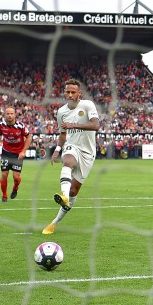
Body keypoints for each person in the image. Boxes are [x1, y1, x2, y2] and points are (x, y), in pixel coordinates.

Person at [42, 79, 100, 235]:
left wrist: (73, 125)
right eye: (67, 91)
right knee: (67, 162)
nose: (70, 94)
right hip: (71, 146)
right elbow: (63, 134)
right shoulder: (61, 112)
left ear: (79, 93)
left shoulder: (88, 105)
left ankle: (54, 222)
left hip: (88, 152)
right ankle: (64, 195)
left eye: (73, 92)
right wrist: (57, 149)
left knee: (74, 191)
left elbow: (96, 125)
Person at [0, 107, 32, 202]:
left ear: (15, 115)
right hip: (6, 152)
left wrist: (23, 151)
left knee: (16, 177)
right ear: (4, 115)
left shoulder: (21, 126)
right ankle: (4, 195)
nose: (10, 115)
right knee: (4, 174)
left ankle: (15, 187)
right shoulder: (1, 126)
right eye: (8, 114)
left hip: (17, 154)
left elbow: (29, 137)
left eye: (11, 113)